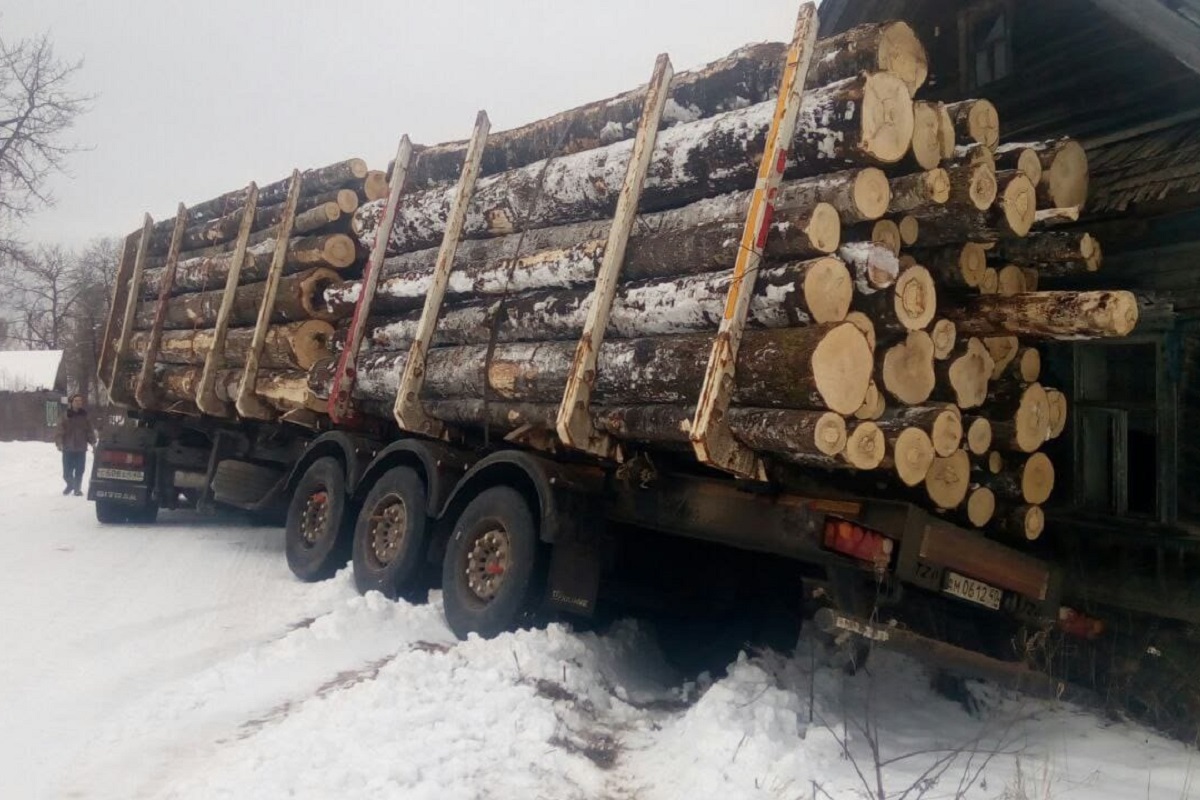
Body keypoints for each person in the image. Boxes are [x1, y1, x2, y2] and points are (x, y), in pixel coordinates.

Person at [56, 394, 96, 496]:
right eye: (76, 401)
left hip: (81, 449)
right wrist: (59, 443)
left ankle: (77, 489)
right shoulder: (65, 416)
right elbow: (59, 431)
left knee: (79, 471)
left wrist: (93, 444)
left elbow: (89, 432)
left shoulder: (85, 416)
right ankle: (71, 485)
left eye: (80, 401)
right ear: (71, 403)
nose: (78, 403)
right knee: (66, 474)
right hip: (68, 448)